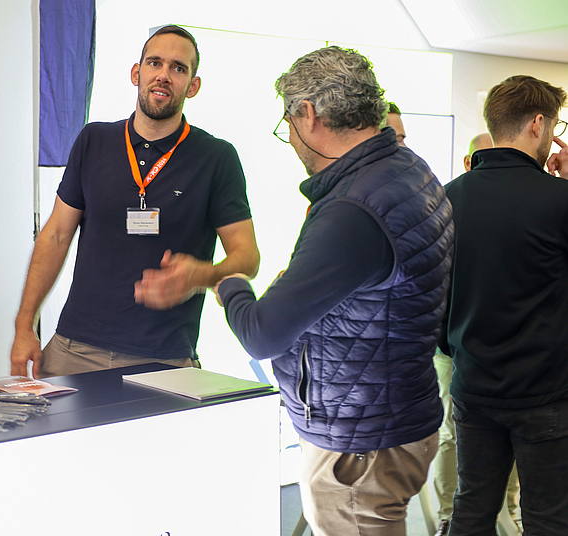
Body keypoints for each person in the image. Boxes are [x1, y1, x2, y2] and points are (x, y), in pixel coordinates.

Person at [214, 46, 453, 536]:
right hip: (394, 414)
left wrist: (231, 284)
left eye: (288, 124)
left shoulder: (354, 208)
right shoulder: (407, 168)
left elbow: (263, 334)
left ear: (309, 114)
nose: (291, 139)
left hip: (360, 444)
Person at [10, 25, 259, 379]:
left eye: (178, 68)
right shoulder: (94, 140)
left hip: (165, 359)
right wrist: (24, 326)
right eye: (155, 63)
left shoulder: (216, 157)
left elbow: (247, 257)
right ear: (136, 73)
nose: (164, 75)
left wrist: (201, 275)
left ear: (193, 86)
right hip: (74, 348)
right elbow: (56, 235)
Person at [441, 74, 568, 536]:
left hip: (472, 384)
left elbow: (437, 291)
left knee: (471, 508)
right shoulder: (559, 199)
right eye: (555, 125)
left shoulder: (449, 196)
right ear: (537, 124)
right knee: (548, 518)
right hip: (545, 393)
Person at [433, 131, 522, 536]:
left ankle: (510, 510)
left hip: (503, 347)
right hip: (453, 345)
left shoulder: (518, 203)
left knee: (514, 434)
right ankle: (448, 515)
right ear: (469, 162)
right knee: (452, 434)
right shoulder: (446, 202)